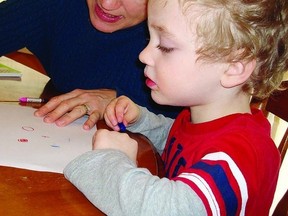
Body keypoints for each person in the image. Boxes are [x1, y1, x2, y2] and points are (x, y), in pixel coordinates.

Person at [64, 0, 288, 215]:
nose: (143, 55)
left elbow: (162, 209)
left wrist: (111, 158)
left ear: (233, 68)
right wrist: (143, 121)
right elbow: (179, 140)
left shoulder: (243, 157)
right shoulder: (200, 117)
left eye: (165, 46)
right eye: (149, 39)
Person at [0, 0, 180, 131]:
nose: (107, 4)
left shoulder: (185, 30)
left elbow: (194, 115)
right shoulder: (57, 5)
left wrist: (125, 101)